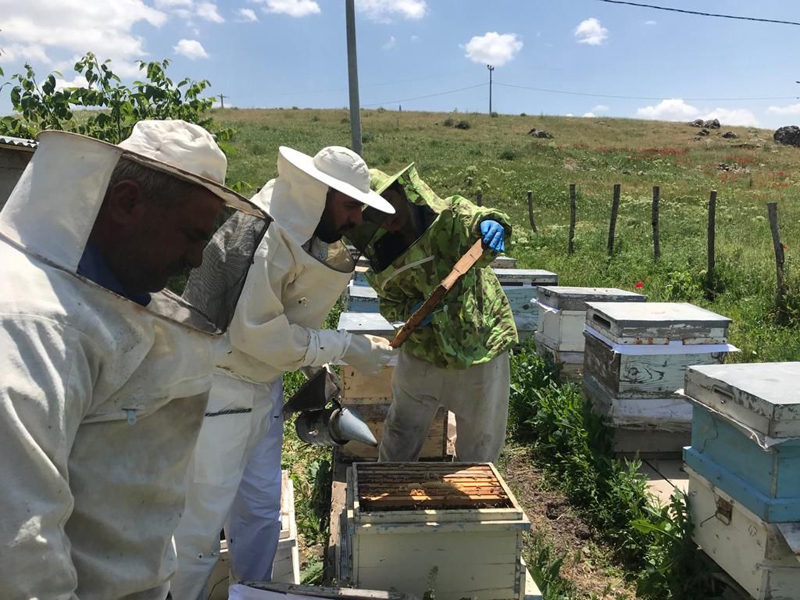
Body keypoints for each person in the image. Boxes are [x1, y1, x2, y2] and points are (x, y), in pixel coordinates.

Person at [0, 120, 269, 599]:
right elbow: (19, 549)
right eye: (189, 235)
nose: (193, 260)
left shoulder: (110, 291)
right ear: (126, 202)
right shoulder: (34, 324)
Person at [173, 146, 396, 598]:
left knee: (259, 509)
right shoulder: (266, 233)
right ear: (319, 193)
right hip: (221, 385)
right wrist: (345, 345)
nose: (355, 219)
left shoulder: (302, 228)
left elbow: (288, 320)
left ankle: (252, 592)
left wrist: (327, 354)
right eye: (351, 204)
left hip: (261, 385)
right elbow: (259, 334)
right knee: (201, 521)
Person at [347, 164, 518, 464]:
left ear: (402, 192)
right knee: (401, 434)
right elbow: (390, 304)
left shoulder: (450, 218)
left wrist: (491, 224)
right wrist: (408, 312)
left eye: (387, 205)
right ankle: (387, 495)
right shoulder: (383, 258)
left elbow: (476, 219)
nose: (387, 219)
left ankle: (470, 503)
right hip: (423, 349)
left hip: (480, 344)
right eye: (375, 216)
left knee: (479, 446)